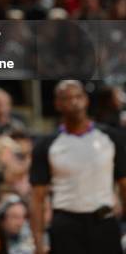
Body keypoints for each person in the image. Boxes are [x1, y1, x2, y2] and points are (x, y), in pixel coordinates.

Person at [30, 80, 126, 254]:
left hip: (104, 220)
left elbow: (124, 185)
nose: (74, 101)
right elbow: (37, 198)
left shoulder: (111, 137)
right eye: (67, 98)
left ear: (86, 100)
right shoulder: (46, 145)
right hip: (66, 224)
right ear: (57, 104)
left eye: (78, 96)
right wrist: (38, 243)